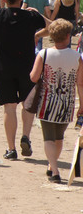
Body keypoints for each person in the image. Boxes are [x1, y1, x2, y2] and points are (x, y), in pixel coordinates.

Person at [0, 0, 48, 160]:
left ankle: (11, 148)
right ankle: (26, 136)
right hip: (27, 67)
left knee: (9, 107)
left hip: (3, 67)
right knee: (27, 104)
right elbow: (53, 27)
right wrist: (38, 23)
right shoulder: (30, 16)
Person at [28, 19, 83, 183]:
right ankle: (52, 166)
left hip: (47, 101)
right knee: (59, 137)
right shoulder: (76, 57)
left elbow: (33, 77)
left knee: (48, 137)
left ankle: (55, 170)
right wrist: (82, 104)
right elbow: (80, 83)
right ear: (67, 36)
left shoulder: (43, 54)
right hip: (67, 102)